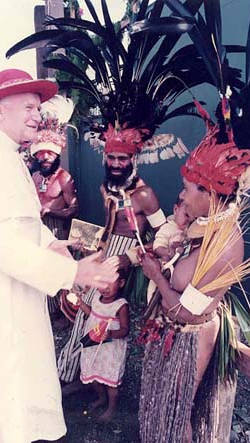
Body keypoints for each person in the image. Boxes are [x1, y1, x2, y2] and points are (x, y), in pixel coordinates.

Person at [0, 68, 118, 443]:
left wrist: (50, 242)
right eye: (30, 107)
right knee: (0, 399)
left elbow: (22, 220)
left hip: (15, 294)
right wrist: (72, 275)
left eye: (38, 108)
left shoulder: (5, 152)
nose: (38, 115)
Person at [138, 98, 250, 443]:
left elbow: (190, 311)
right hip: (173, 331)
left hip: (189, 334)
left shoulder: (222, 245)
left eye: (188, 189)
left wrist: (155, 275)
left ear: (210, 194)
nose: (180, 195)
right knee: (162, 410)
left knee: (176, 414)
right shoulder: (205, 226)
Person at [58, 126, 166, 392]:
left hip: (123, 261)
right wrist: (91, 247)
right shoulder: (105, 186)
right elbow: (109, 226)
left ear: (133, 160)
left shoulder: (144, 195)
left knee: (98, 315)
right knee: (81, 308)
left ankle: (91, 375)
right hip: (104, 253)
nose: (116, 164)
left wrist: (128, 258)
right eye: (112, 158)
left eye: (123, 158)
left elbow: (165, 237)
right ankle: (74, 371)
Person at [31, 95, 79, 320]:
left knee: (59, 269)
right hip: (37, 230)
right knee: (41, 269)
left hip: (58, 229)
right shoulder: (34, 176)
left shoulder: (64, 178)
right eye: (41, 154)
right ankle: (48, 312)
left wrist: (51, 212)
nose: (45, 157)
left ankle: (65, 311)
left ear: (57, 154)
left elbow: (74, 209)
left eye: (49, 153)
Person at [78, 269, 129, 422]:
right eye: (101, 283)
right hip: (93, 345)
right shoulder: (95, 297)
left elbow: (125, 330)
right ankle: (101, 398)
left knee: (110, 379)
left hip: (110, 351)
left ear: (121, 283)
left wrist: (112, 334)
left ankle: (112, 407)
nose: (104, 288)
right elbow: (91, 314)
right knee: (94, 374)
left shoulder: (121, 306)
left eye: (109, 283)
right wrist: (81, 304)